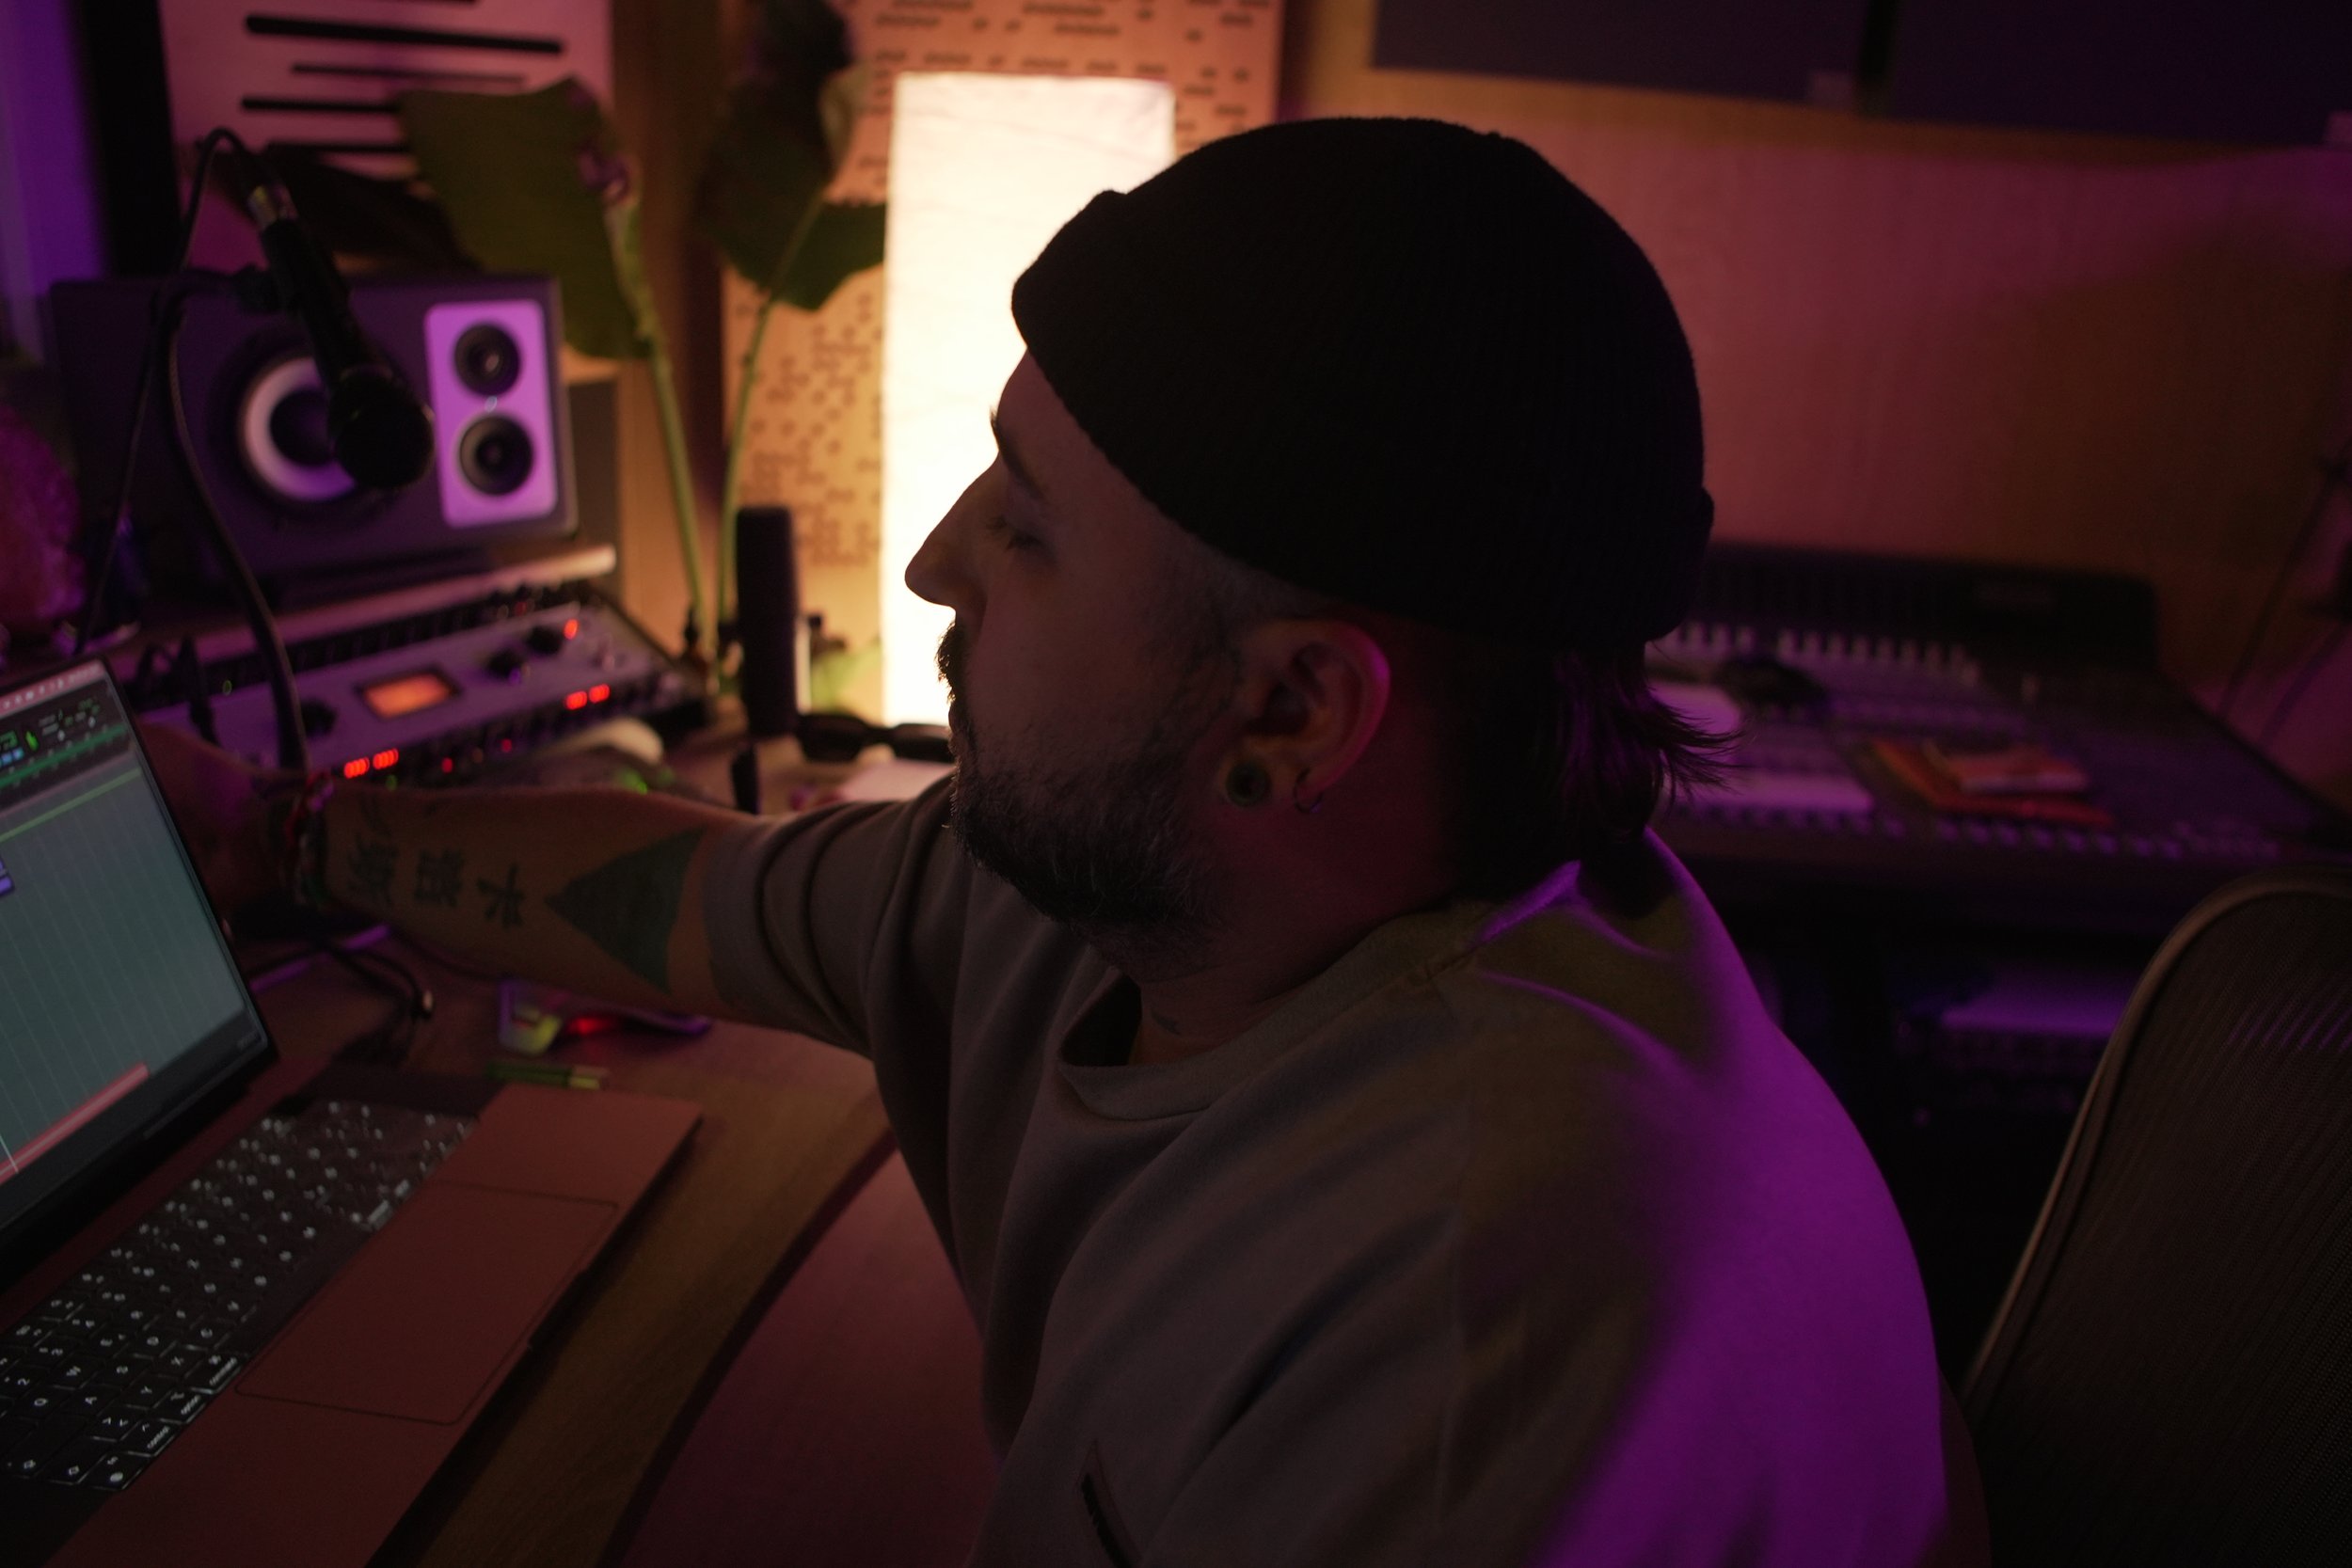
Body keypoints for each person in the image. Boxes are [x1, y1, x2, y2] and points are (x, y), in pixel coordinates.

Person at [149, 118, 1987, 1566]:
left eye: (1023, 526)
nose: (937, 561)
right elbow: (679, 899)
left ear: (1286, 714)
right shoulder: (1126, 890)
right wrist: (277, 835)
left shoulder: (1468, 1334)